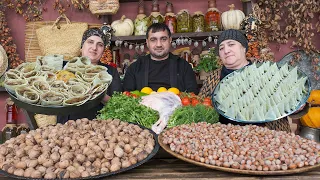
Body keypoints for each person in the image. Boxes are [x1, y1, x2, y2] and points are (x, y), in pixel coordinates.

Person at [199, 29, 291, 132]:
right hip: (225, 140)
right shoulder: (212, 79)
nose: (226, 50)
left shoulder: (265, 72)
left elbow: (286, 101)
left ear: (243, 48)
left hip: (268, 137)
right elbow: (200, 108)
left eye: (231, 44)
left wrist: (297, 107)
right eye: (221, 48)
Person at [58, 28, 122, 123]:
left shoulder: (110, 72)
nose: (94, 48)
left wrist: (98, 93)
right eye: (90, 42)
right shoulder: (66, 67)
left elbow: (117, 105)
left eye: (99, 45)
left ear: (103, 50)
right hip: (68, 124)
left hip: (99, 126)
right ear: (81, 47)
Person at [123, 23, 199, 94]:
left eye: (163, 39)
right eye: (153, 40)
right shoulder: (134, 68)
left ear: (170, 40)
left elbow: (192, 96)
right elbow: (127, 98)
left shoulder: (184, 66)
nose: (159, 45)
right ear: (147, 42)